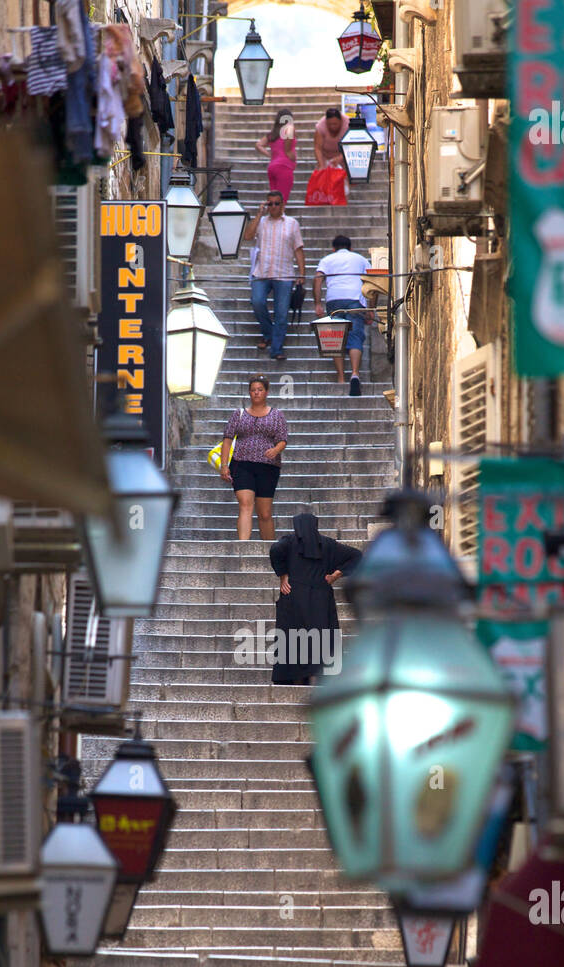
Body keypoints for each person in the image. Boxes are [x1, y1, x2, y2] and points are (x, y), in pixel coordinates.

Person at [269, 513, 362, 686]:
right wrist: (336, 575)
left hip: (294, 598)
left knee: (293, 640)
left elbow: (275, 550)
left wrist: (283, 575)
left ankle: (294, 680)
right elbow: (357, 556)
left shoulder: (289, 543)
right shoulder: (327, 545)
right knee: (320, 640)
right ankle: (318, 679)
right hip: (321, 600)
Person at [220, 376, 288, 541]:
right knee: (245, 505)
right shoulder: (239, 414)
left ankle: (271, 552)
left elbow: (283, 439)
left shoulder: (277, 415)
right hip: (241, 464)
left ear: (266, 392)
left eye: (260, 390)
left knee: (264, 513)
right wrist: (224, 465)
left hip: (268, 466)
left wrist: (276, 450)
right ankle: (243, 547)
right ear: (249, 393)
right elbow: (227, 440)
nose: (256, 393)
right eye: (253, 390)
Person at [243, 190, 305, 361]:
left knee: (282, 313)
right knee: (257, 302)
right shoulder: (261, 222)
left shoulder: (292, 223)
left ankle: (276, 349)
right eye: (270, 203)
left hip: (284, 274)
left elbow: (298, 249)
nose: (273, 207)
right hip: (261, 272)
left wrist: (302, 273)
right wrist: (258, 214)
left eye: (276, 203)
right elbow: (248, 236)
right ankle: (269, 333)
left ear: (283, 204)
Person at [313, 234, 376, 396]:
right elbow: (373, 281)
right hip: (355, 299)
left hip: (334, 300)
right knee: (355, 337)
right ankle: (355, 373)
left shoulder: (327, 259)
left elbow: (318, 278)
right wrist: (371, 308)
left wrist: (317, 303)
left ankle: (341, 378)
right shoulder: (360, 259)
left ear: (333, 249)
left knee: (335, 338)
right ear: (351, 248)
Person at [255, 107, 297, 205]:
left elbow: (258, 145)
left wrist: (270, 155)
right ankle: (280, 218)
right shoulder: (289, 129)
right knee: (282, 200)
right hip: (284, 166)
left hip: (272, 167)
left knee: (273, 200)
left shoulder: (273, 134)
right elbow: (287, 149)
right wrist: (292, 156)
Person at [314, 105, 350, 169]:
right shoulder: (320, 126)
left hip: (345, 158)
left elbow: (352, 145)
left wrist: (341, 157)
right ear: (326, 122)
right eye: (330, 124)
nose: (332, 126)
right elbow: (318, 148)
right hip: (326, 158)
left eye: (335, 124)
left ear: (340, 121)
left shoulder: (348, 124)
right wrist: (321, 165)